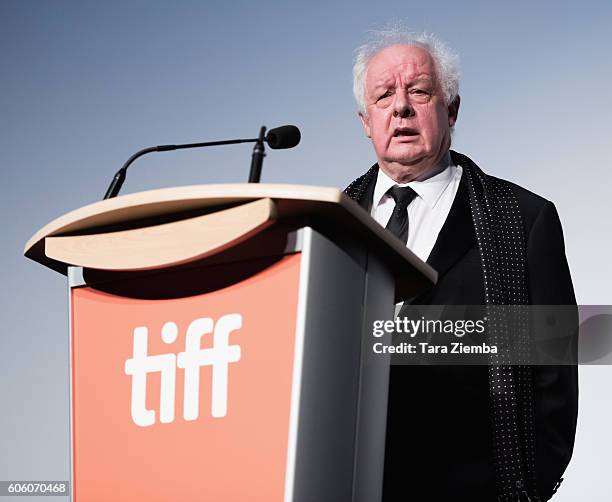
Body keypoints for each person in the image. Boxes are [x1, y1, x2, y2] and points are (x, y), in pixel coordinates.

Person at [344, 28, 578, 501]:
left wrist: (525, 487)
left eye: (419, 91)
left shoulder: (523, 219)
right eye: (384, 95)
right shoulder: (329, 225)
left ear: (451, 109)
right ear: (366, 121)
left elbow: (553, 374)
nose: (401, 107)